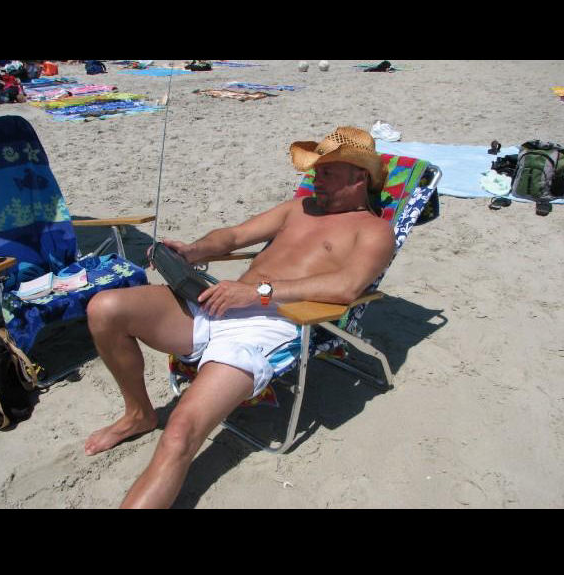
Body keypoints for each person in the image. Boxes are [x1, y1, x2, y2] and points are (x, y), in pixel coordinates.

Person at [85, 126, 396, 508]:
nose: (315, 179)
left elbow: (347, 287)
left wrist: (259, 293)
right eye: (315, 171)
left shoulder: (374, 231)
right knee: (105, 309)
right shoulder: (298, 208)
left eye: (327, 172)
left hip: (268, 325)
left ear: (359, 177)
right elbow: (232, 237)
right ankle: (139, 414)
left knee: (180, 432)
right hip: (219, 301)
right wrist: (194, 251)